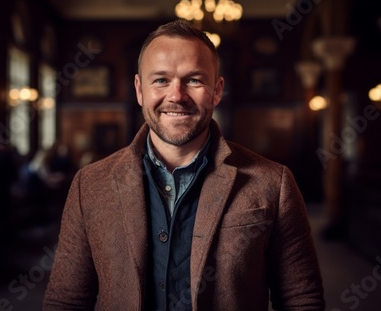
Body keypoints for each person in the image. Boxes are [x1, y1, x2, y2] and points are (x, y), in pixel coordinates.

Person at [43, 20, 325, 310]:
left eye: (193, 80)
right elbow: (67, 301)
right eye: (161, 80)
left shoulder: (272, 182)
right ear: (140, 89)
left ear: (216, 90)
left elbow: (300, 300)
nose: (176, 96)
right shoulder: (90, 184)